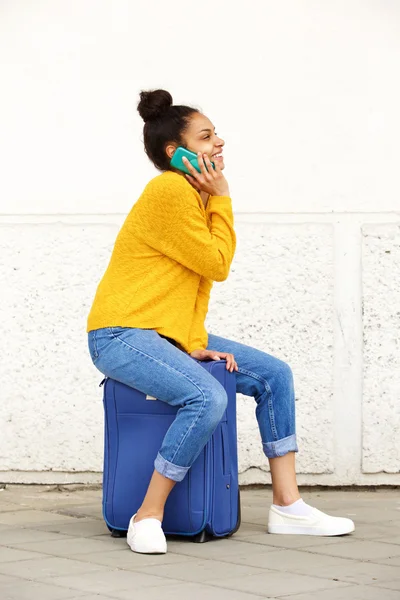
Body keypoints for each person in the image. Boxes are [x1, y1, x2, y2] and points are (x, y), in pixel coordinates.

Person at [87, 88, 355, 555]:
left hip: (163, 331)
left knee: (273, 375)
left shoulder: (193, 195)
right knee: (206, 395)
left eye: (217, 135)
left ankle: (288, 506)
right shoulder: (169, 189)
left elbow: (196, 283)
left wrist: (190, 342)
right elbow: (217, 263)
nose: (219, 143)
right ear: (177, 152)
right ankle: (147, 515)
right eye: (207, 136)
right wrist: (224, 197)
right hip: (121, 332)